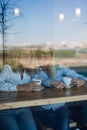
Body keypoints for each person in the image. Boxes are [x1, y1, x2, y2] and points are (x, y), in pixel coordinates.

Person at [32, 48, 87, 130]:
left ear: (51, 57)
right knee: (57, 121)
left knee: (64, 119)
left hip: (60, 106)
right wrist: (52, 82)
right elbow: (40, 81)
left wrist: (83, 81)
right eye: (42, 56)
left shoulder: (59, 67)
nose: (45, 58)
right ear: (37, 58)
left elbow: (77, 76)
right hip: (42, 107)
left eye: (47, 56)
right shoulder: (33, 70)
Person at [0, 64, 40, 130]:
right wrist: (20, 87)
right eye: (24, 55)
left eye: (29, 55)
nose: (27, 58)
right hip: (5, 109)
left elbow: (37, 78)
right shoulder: (7, 69)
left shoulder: (30, 69)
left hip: (23, 107)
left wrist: (35, 86)